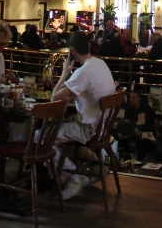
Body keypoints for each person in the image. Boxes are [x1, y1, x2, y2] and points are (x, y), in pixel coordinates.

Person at [51, 31, 116, 200]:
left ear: (72, 51)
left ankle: (73, 176)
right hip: (103, 126)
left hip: (90, 129)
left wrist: (65, 72)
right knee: (61, 124)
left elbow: (54, 98)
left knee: (42, 137)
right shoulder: (100, 63)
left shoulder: (83, 72)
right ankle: (95, 166)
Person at [114, 89, 162, 162]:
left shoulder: (146, 108)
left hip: (146, 132)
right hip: (132, 132)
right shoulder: (127, 108)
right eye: (130, 97)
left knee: (156, 144)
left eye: (134, 97)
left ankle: (161, 161)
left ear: (139, 98)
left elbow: (154, 119)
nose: (132, 99)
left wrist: (156, 131)